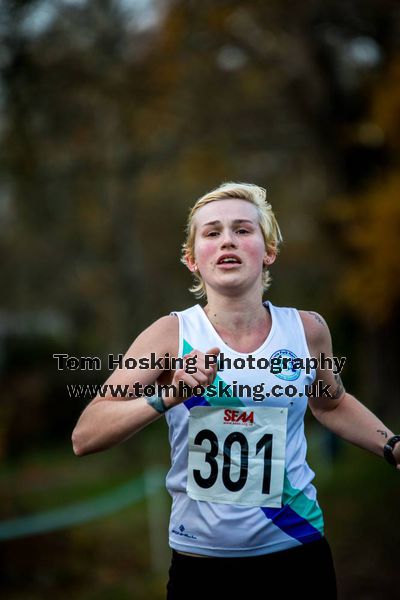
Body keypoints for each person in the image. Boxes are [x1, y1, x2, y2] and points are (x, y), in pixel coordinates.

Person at [71, 182, 400, 600]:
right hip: (202, 567)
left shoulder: (308, 330)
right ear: (192, 260)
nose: (227, 239)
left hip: (297, 551)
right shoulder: (169, 336)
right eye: (212, 232)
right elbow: (86, 435)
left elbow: (332, 404)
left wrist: (392, 446)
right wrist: (166, 396)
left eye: (243, 230)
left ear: (269, 252)